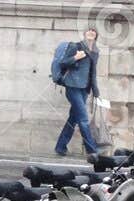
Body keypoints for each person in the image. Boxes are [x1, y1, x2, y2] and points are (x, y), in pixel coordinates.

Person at [52, 28, 100, 158]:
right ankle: (92, 150)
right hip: (72, 86)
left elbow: (93, 72)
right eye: (88, 30)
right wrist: (75, 57)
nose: (91, 32)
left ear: (96, 35)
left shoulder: (95, 51)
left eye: (93, 31)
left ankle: (60, 147)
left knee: (73, 119)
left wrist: (95, 90)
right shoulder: (75, 46)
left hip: (85, 89)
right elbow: (63, 63)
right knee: (83, 119)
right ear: (84, 34)